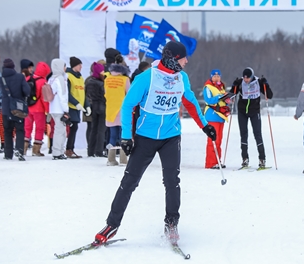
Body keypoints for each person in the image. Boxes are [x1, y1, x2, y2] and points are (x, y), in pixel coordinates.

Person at [93, 41, 216, 246]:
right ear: (173, 59)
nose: (186, 61)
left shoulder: (182, 77)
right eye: (183, 58)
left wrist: (205, 126)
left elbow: (191, 102)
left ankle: (171, 224)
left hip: (170, 137)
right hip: (145, 138)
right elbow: (128, 105)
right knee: (129, 182)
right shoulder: (146, 78)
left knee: (172, 181)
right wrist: (126, 136)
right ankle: (111, 225)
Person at [230, 67, 273, 170]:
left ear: (252, 76)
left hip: (255, 112)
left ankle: (262, 159)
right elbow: (231, 96)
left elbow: (270, 95)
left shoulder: (258, 82)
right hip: (242, 112)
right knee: (243, 135)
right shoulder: (240, 83)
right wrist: (234, 85)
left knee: (257, 134)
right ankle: (245, 159)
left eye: (248, 78)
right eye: (244, 78)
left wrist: (266, 85)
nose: (246, 80)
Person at [0, 58, 31, 161]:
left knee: (7, 131)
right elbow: (27, 91)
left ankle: (8, 154)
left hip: (6, 109)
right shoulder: (20, 77)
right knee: (20, 130)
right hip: (18, 109)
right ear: (13, 67)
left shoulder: (1, 79)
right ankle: (20, 151)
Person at [203, 69, 232, 169]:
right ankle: (210, 163)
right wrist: (220, 97)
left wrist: (227, 100)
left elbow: (223, 100)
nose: (216, 78)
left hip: (220, 116)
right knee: (212, 140)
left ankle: (217, 161)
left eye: (218, 76)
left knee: (219, 140)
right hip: (212, 115)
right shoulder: (208, 87)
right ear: (211, 77)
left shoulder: (221, 87)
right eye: (214, 76)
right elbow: (208, 100)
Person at [104, 62, 131, 165]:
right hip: (122, 110)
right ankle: (123, 159)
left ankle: (110, 159)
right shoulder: (125, 80)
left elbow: (106, 93)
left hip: (110, 109)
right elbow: (129, 95)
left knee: (112, 135)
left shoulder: (107, 79)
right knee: (123, 135)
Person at [65, 57, 91, 158]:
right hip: (71, 107)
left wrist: (87, 105)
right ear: (74, 66)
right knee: (73, 127)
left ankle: (71, 148)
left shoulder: (80, 78)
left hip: (78, 108)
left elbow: (83, 93)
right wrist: (76, 103)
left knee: (75, 128)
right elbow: (67, 93)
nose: (81, 67)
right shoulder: (68, 76)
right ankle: (69, 149)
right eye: (79, 65)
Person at [24, 61, 51, 156]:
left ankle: (23, 148)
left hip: (28, 108)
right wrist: (48, 110)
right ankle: (36, 150)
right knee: (39, 129)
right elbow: (45, 99)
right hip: (39, 109)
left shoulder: (28, 78)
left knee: (27, 128)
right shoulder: (43, 82)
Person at [48, 59, 70, 160]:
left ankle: (59, 151)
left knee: (60, 130)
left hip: (53, 108)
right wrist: (66, 109)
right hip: (60, 109)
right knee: (60, 131)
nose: (65, 68)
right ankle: (57, 152)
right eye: (64, 66)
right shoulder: (60, 78)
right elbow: (62, 95)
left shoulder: (51, 78)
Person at [85, 62, 107, 158]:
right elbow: (105, 96)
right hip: (102, 106)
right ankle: (99, 151)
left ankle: (90, 150)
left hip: (93, 107)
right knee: (101, 130)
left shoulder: (89, 81)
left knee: (93, 129)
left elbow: (87, 94)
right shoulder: (102, 83)